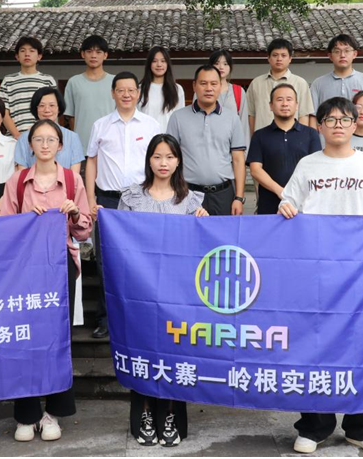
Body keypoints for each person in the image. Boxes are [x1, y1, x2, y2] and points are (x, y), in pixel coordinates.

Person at [279, 96, 363, 457]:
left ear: (356, 123)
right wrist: (286, 207)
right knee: (314, 346)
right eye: (331, 119)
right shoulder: (307, 165)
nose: (338, 125)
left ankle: (362, 428)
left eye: (345, 119)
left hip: (360, 276)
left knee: (362, 346)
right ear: (319, 125)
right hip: (315, 274)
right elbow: (289, 205)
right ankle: (314, 426)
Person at [0, 119, 92, 442]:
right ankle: (26, 414)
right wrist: (27, 220)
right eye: (38, 139)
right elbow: (3, 228)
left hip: (60, 265)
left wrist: (75, 214)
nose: (44, 145)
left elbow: (85, 230)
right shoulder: (17, 181)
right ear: (30, 145)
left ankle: (53, 412)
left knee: (58, 337)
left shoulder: (72, 180)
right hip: (24, 267)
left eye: (51, 139)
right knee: (23, 336)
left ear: (60, 145)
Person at [118, 134, 207, 447]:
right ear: (149, 160)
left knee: (174, 354)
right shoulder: (131, 197)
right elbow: (120, 241)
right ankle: (144, 414)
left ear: (178, 160)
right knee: (141, 351)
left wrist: (204, 223)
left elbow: (200, 248)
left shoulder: (191, 201)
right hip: (139, 290)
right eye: (157, 156)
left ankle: (170, 416)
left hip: (177, 293)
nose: (163, 163)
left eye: (169, 157)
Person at [86, 71, 160, 339]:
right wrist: (91, 199)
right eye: (121, 90)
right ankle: (106, 320)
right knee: (106, 263)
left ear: (138, 94)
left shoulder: (151, 125)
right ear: (113, 93)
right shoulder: (100, 125)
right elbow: (91, 161)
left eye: (131, 90)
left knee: (141, 260)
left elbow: (159, 162)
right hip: (107, 200)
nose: (126, 94)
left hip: (141, 200)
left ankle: (140, 320)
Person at [166, 64, 247, 216]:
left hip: (224, 194)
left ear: (220, 86)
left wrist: (239, 197)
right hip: (188, 193)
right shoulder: (178, 118)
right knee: (189, 232)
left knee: (223, 232)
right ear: (194, 86)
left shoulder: (232, 118)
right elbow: (170, 157)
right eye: (203, 83)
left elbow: (238, 160)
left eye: (214, 83)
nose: (209, 88)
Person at [247, 84, 321, 215]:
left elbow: (315, 167)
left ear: (297, 105)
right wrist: (281, 192)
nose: (285, 103)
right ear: (271, 105)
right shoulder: (260, 135)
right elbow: (255, 170)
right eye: (279, 99)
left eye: (289, 99)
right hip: (269, 203)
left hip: (303, 203)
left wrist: (293, 195)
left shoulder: (311, 134)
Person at [309, 34, 363, 127]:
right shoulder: (318, 83)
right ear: (330, 56)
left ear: (354, 54)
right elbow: (312, 115)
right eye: (337, 51)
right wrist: (314, 136)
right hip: (328, 134)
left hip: (359, 133)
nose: (342, 55)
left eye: (347, 51)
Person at [246, 38, 316, 135]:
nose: (279, 59)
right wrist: (253, 138)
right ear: (268, 58)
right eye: (275, 55)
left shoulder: (300, 83)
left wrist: (300, 138)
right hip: (262, 139)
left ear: (290, 58)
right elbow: (251, 115)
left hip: (292, 139)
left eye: (283, 55)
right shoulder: (256, 83)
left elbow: (303, 115)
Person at [64, 35, 116, 157]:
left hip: (110, 147)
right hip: (82, 149)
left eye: (98, 52)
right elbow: (71, 117)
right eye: (89, 51)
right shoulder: (73, 82)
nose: (93, 55)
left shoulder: (115, 82)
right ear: (83, 54)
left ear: (105, 55)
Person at [0, 36, 57, 138]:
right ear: (17, 56)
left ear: (39, 56)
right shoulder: (8, 80)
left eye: (32, 51)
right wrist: (17, 135)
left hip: (42, 137)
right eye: (22, 51)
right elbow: (3, 112)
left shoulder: (47, 80)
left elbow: (53, 110)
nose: (27, 54)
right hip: (14, 138)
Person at [14, 87, 84, 173]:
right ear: (36, 109)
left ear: (59, 108)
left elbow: (74, 175)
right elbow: (22, 173)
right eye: (42, 105)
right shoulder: (24, 138)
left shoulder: (72, 137)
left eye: (52, 105)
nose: (47, 110)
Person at [137, 46, 185, 131]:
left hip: (170, 136)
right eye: (154, 61)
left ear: (167, 64)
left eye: (163, 61)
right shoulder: (140, 89)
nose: (159, 65)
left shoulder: (177, 89)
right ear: (149, 64)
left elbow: (180, 118)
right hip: (146, 136)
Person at [209, 49, 250, 144]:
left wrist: (244, 149)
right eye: (217, 63)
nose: (221, 67)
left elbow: (243, 123)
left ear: (230, 67)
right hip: (209, 143)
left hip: (234, 143)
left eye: (225, 64)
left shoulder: (238, 91)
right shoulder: (203, 91)